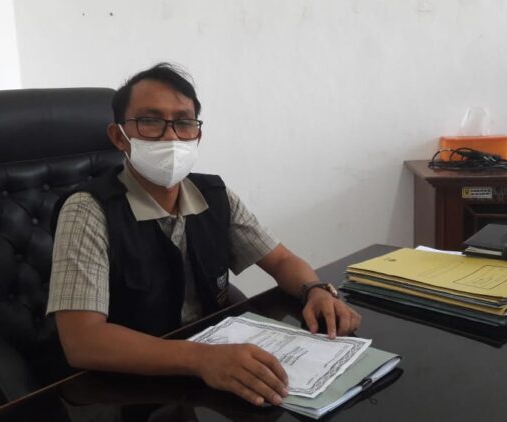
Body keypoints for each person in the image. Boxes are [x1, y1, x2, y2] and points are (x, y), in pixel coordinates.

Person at [47, 63, 362, 407]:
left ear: (197, 135)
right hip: (129, 389)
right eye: (151, 121)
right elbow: (83, 341)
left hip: (210, 374)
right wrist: (201, 358)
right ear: (119, 136)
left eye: (183, 122)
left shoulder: (214, 195)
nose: (170, 137)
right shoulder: (88, 210)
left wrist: (314, 290)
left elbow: (281, 259)